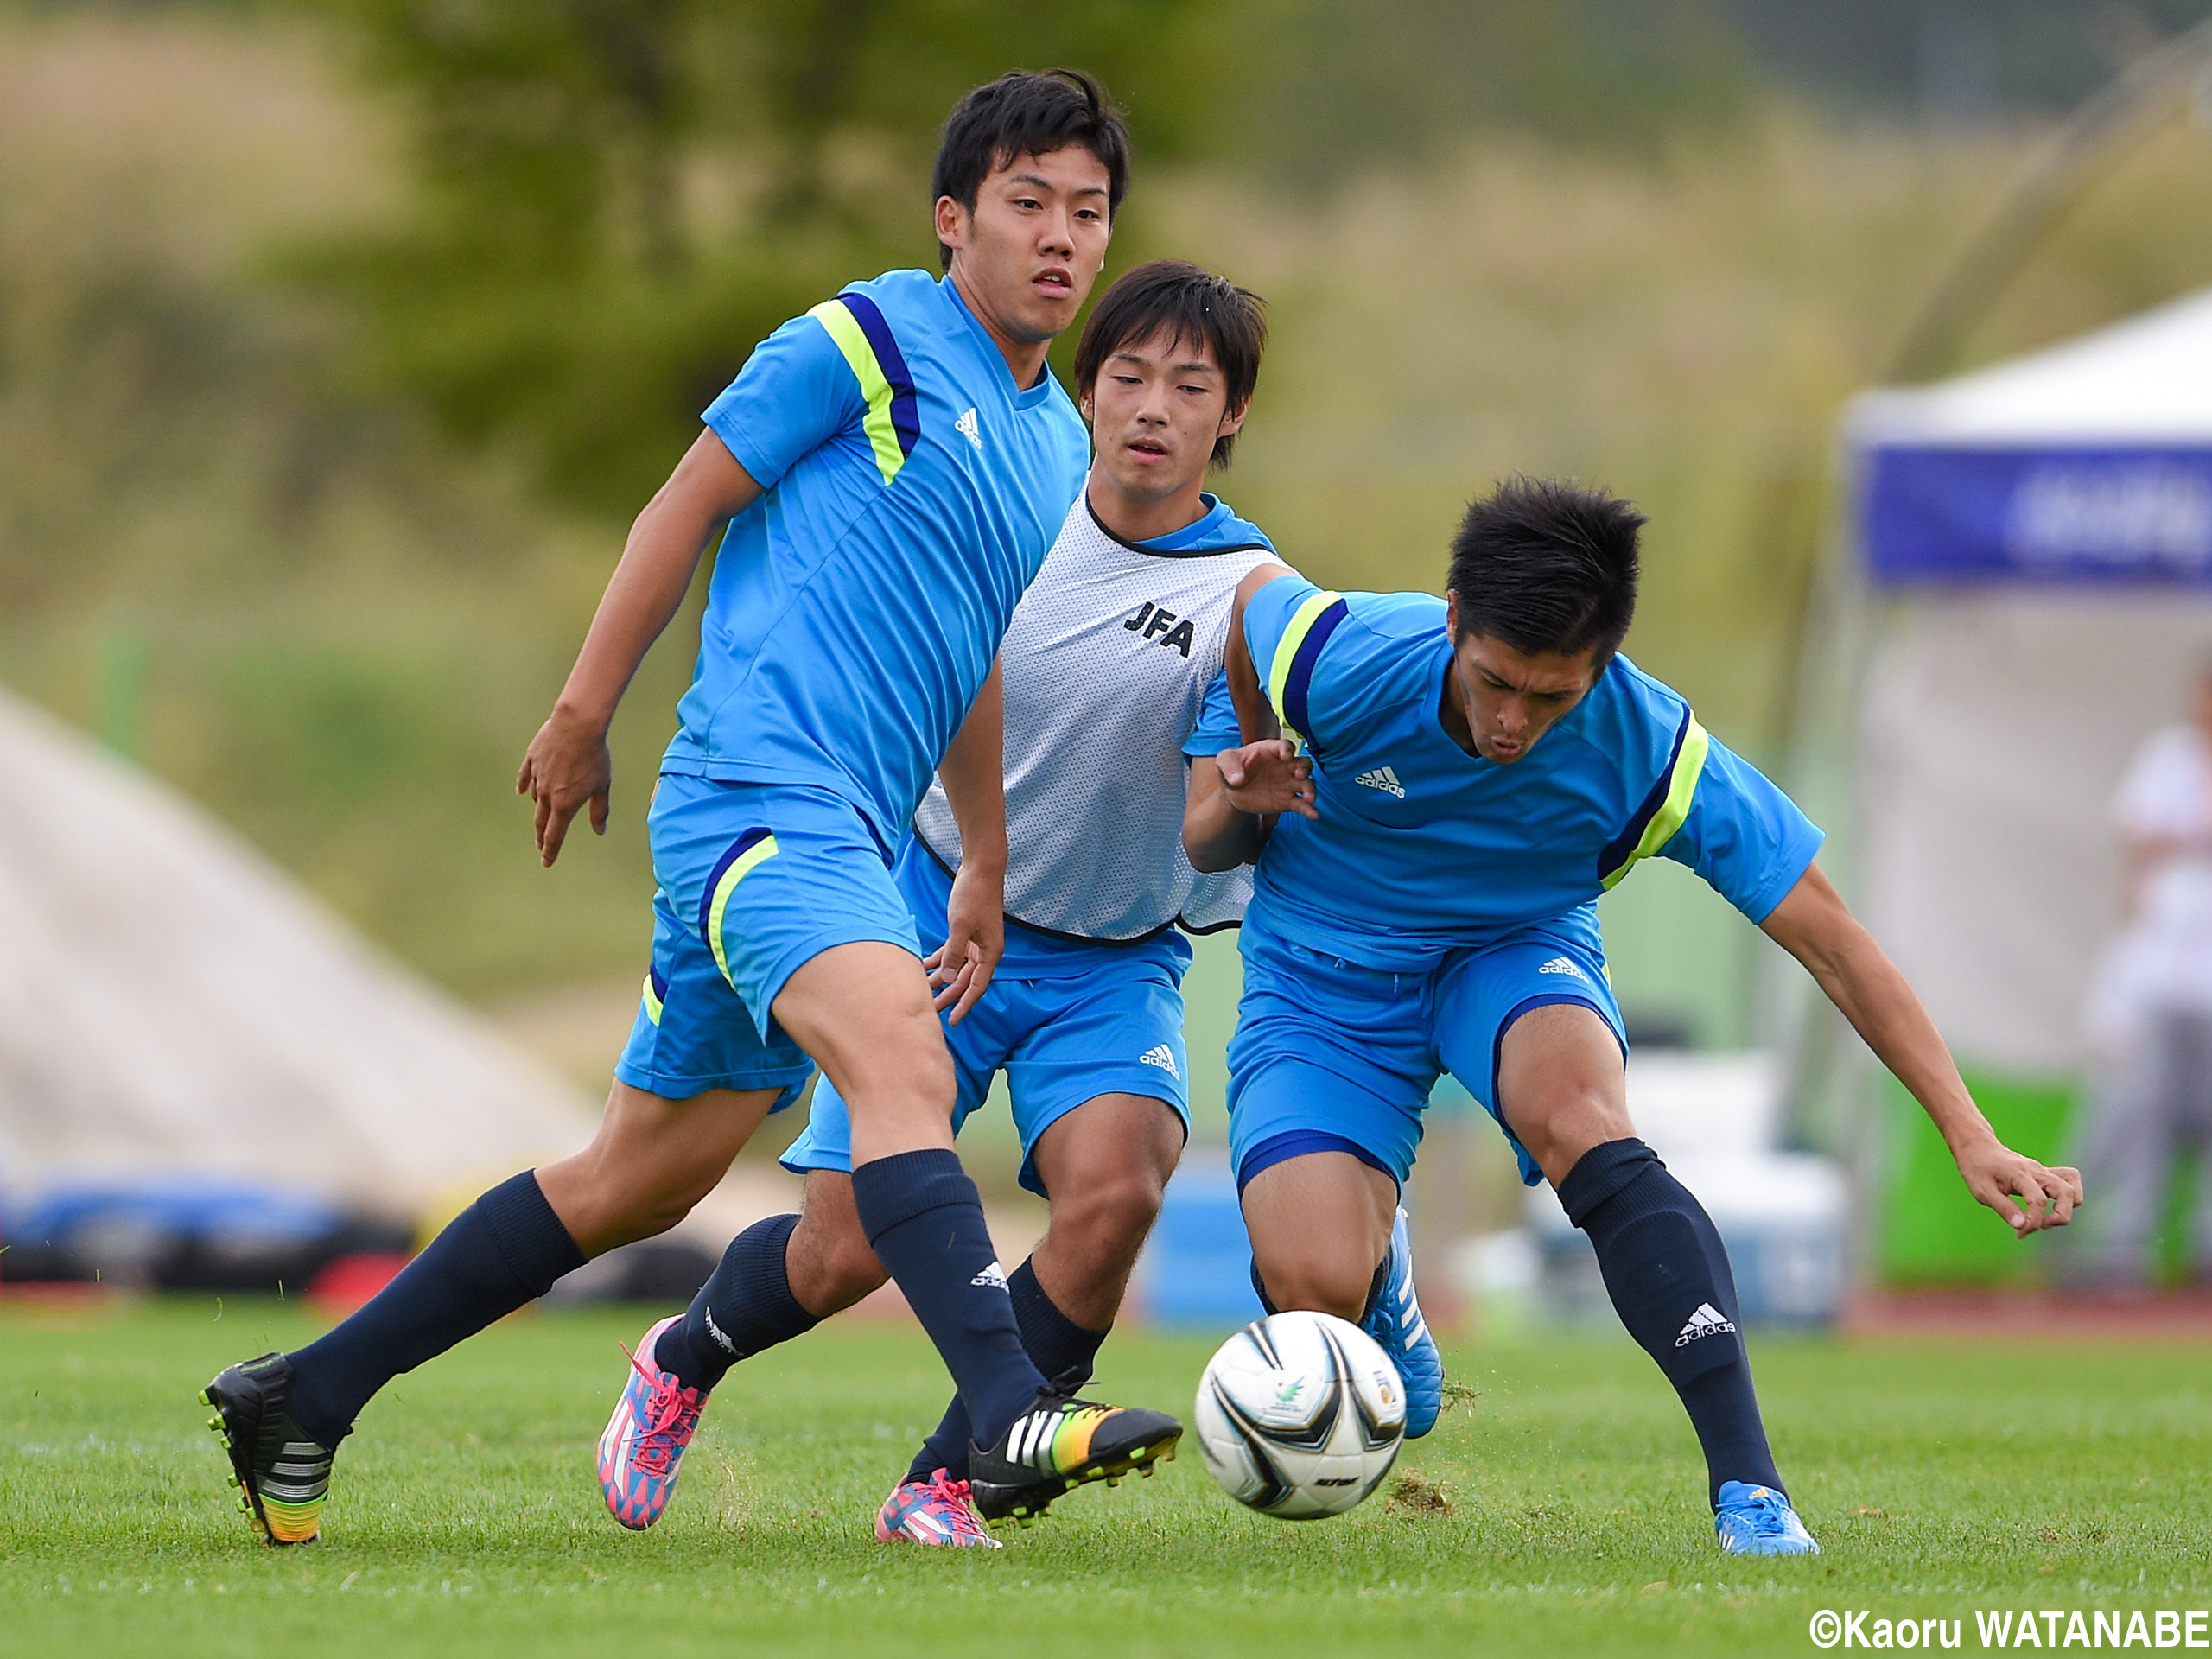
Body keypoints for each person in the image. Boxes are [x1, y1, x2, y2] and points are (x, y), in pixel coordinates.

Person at [201, 68, 1180, 1548]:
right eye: (1027, 204)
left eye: (1086, 213)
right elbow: (686, 500)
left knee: (633, 1182)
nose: (1058, 237)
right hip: (752, 799)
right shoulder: (863, 340)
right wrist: (585, 709)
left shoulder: (1052, 443)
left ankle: (305, 1392)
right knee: (905, 1065)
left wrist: (982, 852)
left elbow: (971, 646)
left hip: (845, 836)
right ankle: (1002, 1409)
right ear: (953, 218)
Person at [594, 258, 1421, 1545]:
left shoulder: (1249, 591)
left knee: (1121, 1184)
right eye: (1128, 377)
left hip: (1113, 957)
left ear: (1232, 416)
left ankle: (949, 1479)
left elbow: (1231, 793)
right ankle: (683, 1358)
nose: (1152, 408)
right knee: (839, 1252)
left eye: (1188, 387)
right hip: (931, 908)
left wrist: (1259, 786)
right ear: (1088, 391)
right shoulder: (1013, 515)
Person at [1192, 475, 2084, 1556]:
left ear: (1601, 667)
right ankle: (1384, 1280)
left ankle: (1749, 1492)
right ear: (1454, 620)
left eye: (1551, 696)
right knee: (1310, 1283)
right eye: (1494, 683)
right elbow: (1247, 603)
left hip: (1511, 953)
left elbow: (1833, 942)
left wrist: (1968, 1130)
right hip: (1320, 975)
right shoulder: (1337, 648)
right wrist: (1253, 745)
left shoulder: (1650, 748)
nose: (1515, 720)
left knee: (1582, 1122)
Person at [2075, 664, 2212, 1287]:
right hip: (2162, 977)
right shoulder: (2168, 759)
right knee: (2142, 1115)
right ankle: (2125, 1248)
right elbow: (2139, 842)